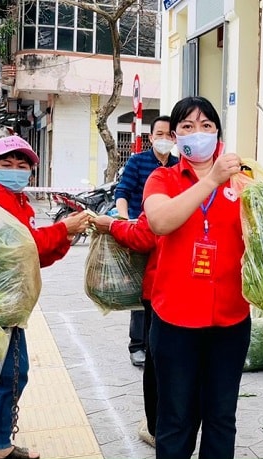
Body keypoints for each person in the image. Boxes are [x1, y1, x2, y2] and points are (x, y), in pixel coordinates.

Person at [0, 135, 91, 459]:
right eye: (7, 164)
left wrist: (65, 234)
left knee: (9, 375)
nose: (15, 170)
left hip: (7, 301)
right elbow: (23, 245)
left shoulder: (18, 201)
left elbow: (36, 255)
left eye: (23, 166)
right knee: (8, 376)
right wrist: (63, 229)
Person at [143, 96, 250, 459]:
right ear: (175, 136)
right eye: (188, 126)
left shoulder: (244, 184)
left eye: (206, 126)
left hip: (231, 318)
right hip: (175, 319)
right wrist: (211, 181)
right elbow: (160, 221)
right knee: (175, 418)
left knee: (221, 417)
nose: (198, 133)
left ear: (218, 133)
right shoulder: (163, 178)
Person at [115, 115, 178, 367]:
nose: (164, 139)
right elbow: (123, 192)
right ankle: (137, 345)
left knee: (157, 288)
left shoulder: (177, 165)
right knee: (140, 290)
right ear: (150, 137)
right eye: (159, 134)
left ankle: (155, 342)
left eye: (169, 135)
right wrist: (124, 219)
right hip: (138, 231)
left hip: (164, 236)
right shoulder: (137, 162)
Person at [91, 212, 158, 447]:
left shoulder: (166, 183)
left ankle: (157, 429)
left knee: (159, 366)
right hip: (212, 297)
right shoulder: (234, 188)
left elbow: (143, 237)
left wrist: (112, 225)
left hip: (165, 292)